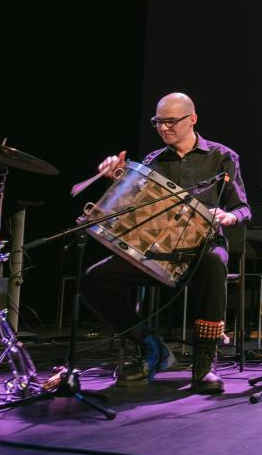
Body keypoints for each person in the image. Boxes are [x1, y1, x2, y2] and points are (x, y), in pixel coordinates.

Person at [86, 92, 250, 394]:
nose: (164, 128)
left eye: (171, 122)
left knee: (215, 263)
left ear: (192, 119)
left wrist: (228, 216)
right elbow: (130, 211)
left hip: (202, 248)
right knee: (95, 280)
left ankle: (204, 365)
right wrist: (116, 179)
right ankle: (151, 345)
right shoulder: (152, 162)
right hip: (158, 251)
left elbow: (243, 208)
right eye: (158, 122)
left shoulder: (222, 157)